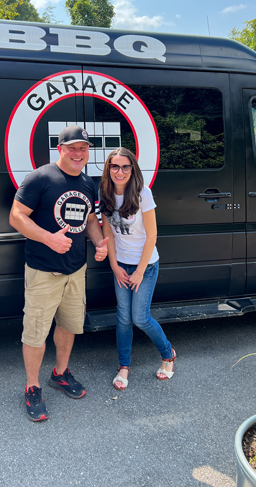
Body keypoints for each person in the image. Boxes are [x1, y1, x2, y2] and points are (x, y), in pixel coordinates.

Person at [9, 125, 108, 421]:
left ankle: (60, 374)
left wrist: (98, 241)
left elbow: (90, 219)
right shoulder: (41, 178)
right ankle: (32, 386)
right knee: (36, 332)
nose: (78, 153)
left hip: (76, 270)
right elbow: (16, 216)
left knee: (68, 325)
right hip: (43, 271)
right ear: (60, 149)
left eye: (83, 148)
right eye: (72, 148)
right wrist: (48, 237)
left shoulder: (89, 183)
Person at [99, 147, 175, 390]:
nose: (119, 171)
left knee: (140, 318)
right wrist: (114, 265)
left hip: (146, 264)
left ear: (132, 170)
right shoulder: (105, 193)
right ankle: (124, 366)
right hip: (121, 263)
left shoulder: (143, 194)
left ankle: (168, 355)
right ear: (108, 169)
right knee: (123, 317)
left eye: (125, 167)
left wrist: (140, 271)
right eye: (114, 166)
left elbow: (152, 235)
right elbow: (107, 231)